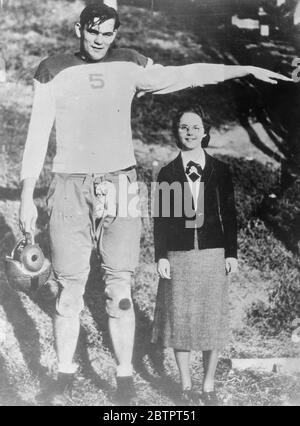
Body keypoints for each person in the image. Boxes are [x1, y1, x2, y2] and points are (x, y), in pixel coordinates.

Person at [18, 2, 291, 406]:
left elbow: (190, 74)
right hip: (69, 184)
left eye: (107, 32)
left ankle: (125, 381)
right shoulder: (52, 69)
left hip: (122, 184)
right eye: (92, 31)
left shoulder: (130, 65)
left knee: (120, 289)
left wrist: (245, 69)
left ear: (117, 34)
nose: (99, 39)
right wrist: (26, 196)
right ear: (78, 29)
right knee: (69, 290)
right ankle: (64, 375)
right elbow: (37, 135)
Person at [152, 104, 238, 406]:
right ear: (178, 133)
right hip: (179, 255)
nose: (189, 132)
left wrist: (232, 252)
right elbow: (160, 219)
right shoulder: (167, 173)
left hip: (213, 253)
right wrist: (161, 256)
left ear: (205, 132)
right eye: (183, 127)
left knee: (211, 321)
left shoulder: (221, 171)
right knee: (182, 321)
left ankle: (208, 386)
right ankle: (186, 387)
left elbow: (230, 214)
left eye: (195, 127)